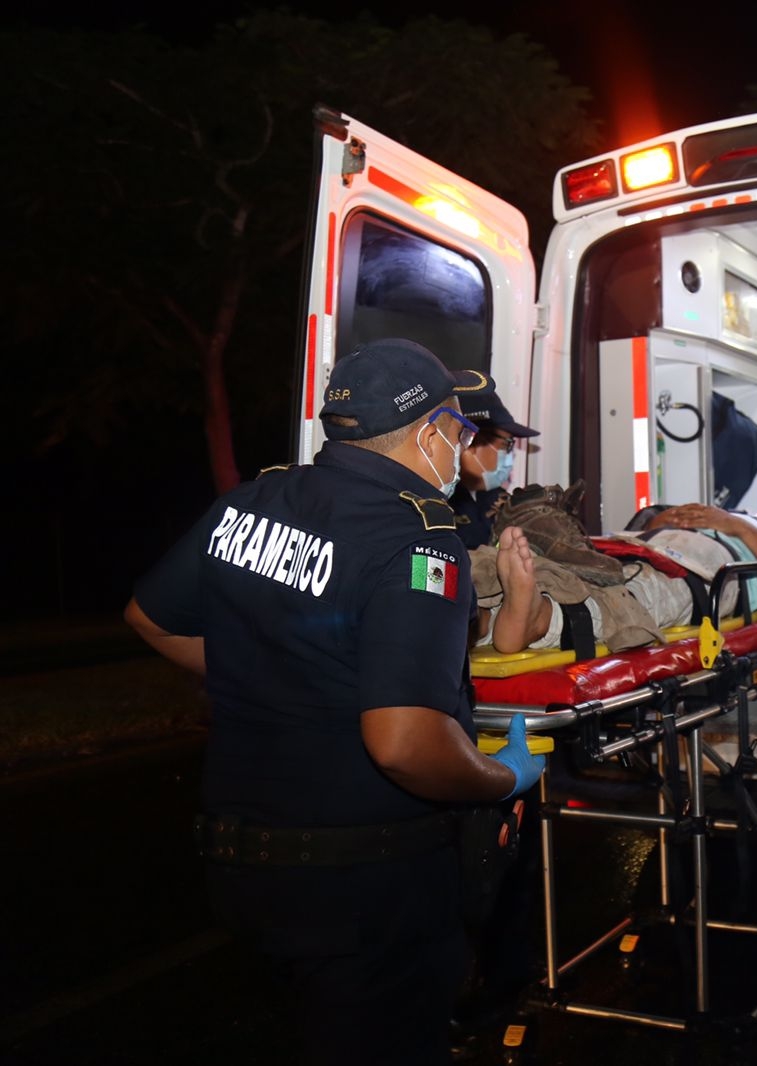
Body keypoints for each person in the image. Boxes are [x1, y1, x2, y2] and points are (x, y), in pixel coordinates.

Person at [123, 338, 547, 1066]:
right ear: (431, 431)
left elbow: (150, 618)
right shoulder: (419, 541)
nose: (467, 445)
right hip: (366, 889)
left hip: (243, 864)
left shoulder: (252, 501)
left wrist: (270, 672)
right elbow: (403, 743)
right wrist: (501, 777)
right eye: (463, 430)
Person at [483, 499, 757, 654]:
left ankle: (542, 620)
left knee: (633, 595)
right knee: (566, 571)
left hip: (707, 572)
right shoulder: (692, 512)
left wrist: (738, 525)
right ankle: (481, 617)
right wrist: (658, 524)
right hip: (632, 549)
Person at [450, 370, 540, 549]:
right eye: (507, 444)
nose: (510, 455)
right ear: (472, 442)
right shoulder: (436, 501)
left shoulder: (501, 502)